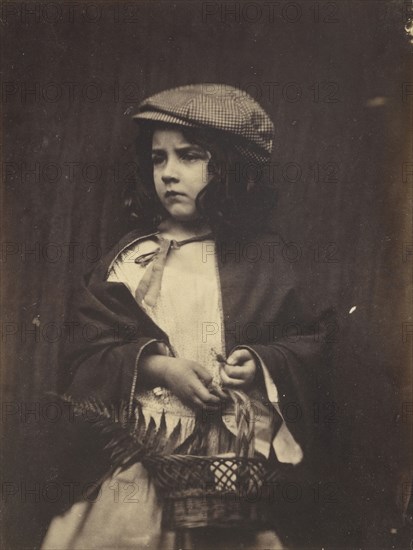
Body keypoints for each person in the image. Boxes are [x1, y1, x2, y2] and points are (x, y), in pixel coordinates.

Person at [41, 84, 332, 549]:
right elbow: (88, 350)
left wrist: (257, 362)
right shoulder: (131, 259)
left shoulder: (264, 258)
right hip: (143, 449)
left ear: (231, 168)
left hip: (229, 462)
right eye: (159, 159)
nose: (169, 174)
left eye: (190, 156)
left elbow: (308, 340)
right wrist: (160, 367)